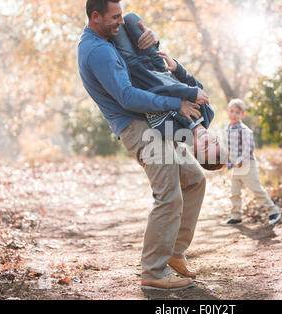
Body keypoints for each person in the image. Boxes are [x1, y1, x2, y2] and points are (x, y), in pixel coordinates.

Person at [78, 0, 205, 290]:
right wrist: (177, 102)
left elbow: (144, 66)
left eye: (121, 15)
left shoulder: (109, 39)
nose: (121, 22)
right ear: (95, 17)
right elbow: (127, 97)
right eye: (115, 17)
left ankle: (173, 253)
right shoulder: (97, 52)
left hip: (153, 121)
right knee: (168, 194)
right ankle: (153, 272)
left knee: (195, 179)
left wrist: (150, 41)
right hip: (135, 127)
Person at [110, 13, 223, 170]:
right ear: (216, 137)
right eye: (213, 142)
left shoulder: (172, 131)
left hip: (137, 69)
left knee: (114, 27)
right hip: (156, 61)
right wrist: (177, 68)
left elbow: (154, 95)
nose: (207, 140)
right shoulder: (208, 112)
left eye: (205, 147)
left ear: (195, 151)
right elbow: (192, 83)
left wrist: (186, 96)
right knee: (130, 19)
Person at [221, 99, 282, 226]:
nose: (234, 114)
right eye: (231, 111)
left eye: (237, 112)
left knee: (256, 189)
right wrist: (226, 160)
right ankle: (236, 216)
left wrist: (238, 161)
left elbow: (248, 149)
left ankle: (273, 211)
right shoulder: (226, 130)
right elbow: (228, 148)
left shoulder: (245, 131)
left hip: (247, 165)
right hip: (236, 168)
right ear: (227, 112)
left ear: (242, 115)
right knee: (234, 192)